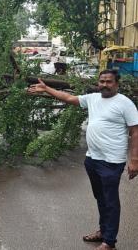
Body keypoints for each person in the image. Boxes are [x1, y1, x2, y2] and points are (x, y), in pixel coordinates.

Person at [28, 69, 138, 250]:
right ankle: (104, 231)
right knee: (101, 198)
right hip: (92, 159)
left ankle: (109, 241)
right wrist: (47, 89)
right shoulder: (93, 98)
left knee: (110, 200)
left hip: (111, 161)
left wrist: (135, 160)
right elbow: (69, 99)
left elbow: (135, 132)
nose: (104, 84)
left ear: (117, 84)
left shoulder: (125, 103)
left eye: (109, 82)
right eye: (102, 81)